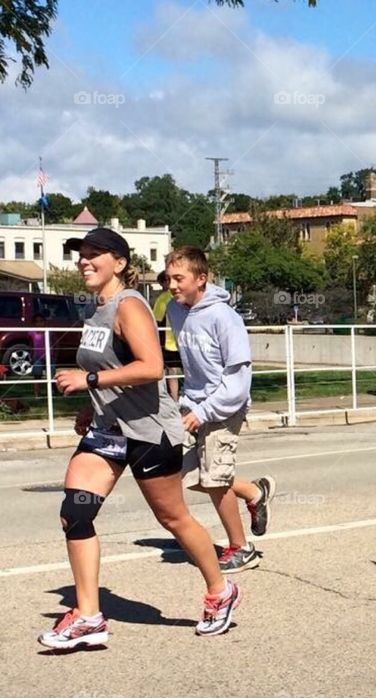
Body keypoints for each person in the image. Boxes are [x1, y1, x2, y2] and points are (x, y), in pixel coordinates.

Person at [38, 228, 240, 650]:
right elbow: (115, 369)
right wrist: (93, 402)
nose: (85, 261)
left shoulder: (129, 305)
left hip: (150, 431)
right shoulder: (97, 310)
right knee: (75, 514)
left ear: (120, 263)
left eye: (96, 254)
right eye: (81, 255)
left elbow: (150, 367)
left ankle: (220, 592)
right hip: (108, 431)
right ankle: (90, 616)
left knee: (173, 519)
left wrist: (89, 378)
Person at [165, 247, 276, 574]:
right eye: (168, 278)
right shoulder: (175, 309)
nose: (172, 285)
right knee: (181, 478)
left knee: (214, 480)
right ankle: (253, 491)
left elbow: (237, 380)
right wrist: (189, 404)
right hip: (194, 406)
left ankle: (242, 548)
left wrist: (206, 410)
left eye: (179, 278)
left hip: (225, 407)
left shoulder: (225, 318)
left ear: (201, 279)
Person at [152, 271, 180, 400]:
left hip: (168, 342)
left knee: (170, 372)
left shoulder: (163, 299)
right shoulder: (181, 296)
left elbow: (156, 320)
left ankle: (173, 399)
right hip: (182, 340)